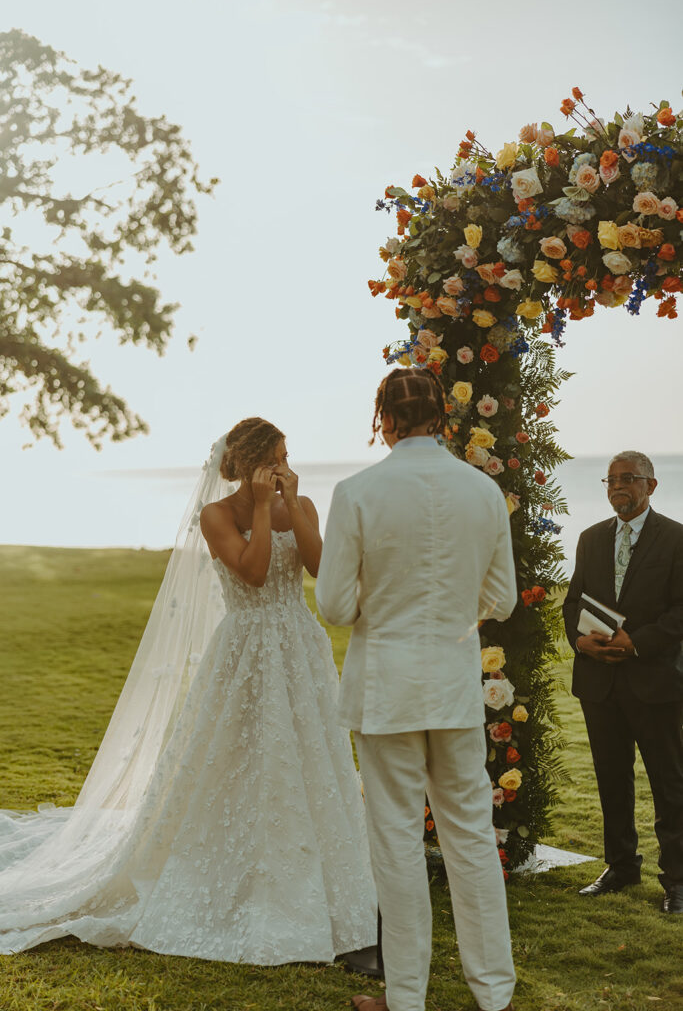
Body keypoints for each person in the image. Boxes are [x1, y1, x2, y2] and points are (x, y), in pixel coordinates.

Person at [0, 418, 377, 962]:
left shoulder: (304, 505)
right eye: (276, 457)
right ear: (249, 464)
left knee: (306, 755)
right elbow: (251, 572)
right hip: (244, 648)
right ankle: (224, 867)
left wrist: (291, 507)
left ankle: (305, 867)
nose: (286, 466)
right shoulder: (215, 515)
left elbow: (320, 568)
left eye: (287, 456)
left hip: (299, 647)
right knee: (235, 756)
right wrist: (262, 511)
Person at [316, 368, 517, 1011]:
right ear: (441, 417)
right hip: (455, 685)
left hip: (385, 692)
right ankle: (494, 993)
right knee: (471, 841)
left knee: (397, 846)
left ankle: (406, 998)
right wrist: (452, 617)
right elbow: (503, 600)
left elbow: (336, 606)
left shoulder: (357, 491)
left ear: (386, 419)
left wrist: (388, 603)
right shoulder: (482, 491)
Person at [563, 451, 683, 914]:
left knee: (669, 783)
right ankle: (620, 865)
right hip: (600, 683)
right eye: (611, 479)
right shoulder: (591, 539)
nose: (619, 486)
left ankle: (677, 879)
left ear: (651, 486)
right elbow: (573, 602)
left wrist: (638, 642)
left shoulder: (675, 539)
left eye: (629, 478)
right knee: (612, 779)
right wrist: (580, 640)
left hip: (654, 682)